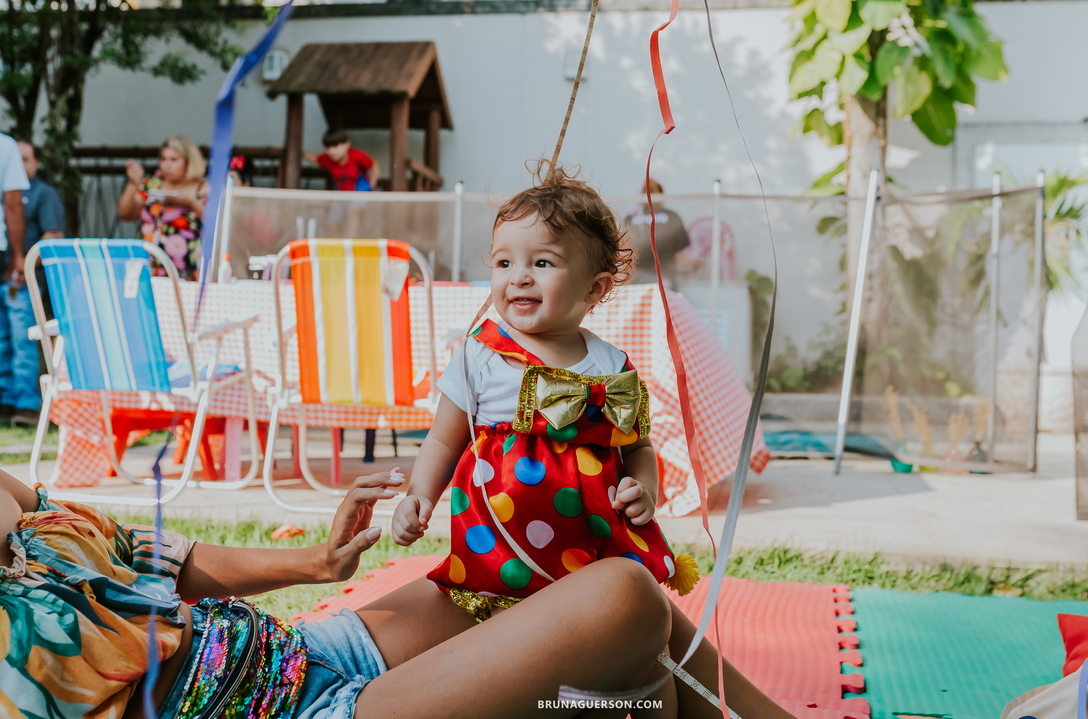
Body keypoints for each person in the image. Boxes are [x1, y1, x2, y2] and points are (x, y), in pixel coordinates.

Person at [0, 466, 793, 718]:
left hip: (292, 650)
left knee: (531, 577)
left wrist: (318, 562)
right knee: (620, 598)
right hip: (276, 714)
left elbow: (148, 557)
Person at [394, 163, 697, 628]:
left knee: (603, 628)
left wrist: (646, 489)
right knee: (505, 639)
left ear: (594, 288)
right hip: (500, 543)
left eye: (542, 263)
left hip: (592, 543)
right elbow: (442, 440)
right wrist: (419, 496)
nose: (518, 277)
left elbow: (638, 447)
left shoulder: (612, 365)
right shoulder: (479, 355)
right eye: (503, 262)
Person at [0, 141, 65, 427]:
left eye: (25, 159)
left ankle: (26, 405)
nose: (21, 164)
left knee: (23, 339)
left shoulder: (43, 193)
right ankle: (6, 400)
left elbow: (53, 235)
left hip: (23, 278)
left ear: (37, 162)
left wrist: (23, 263)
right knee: (2, 341)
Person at [116, 135, 208, 280]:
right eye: (163, 159)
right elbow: (125, 214)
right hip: (149, 263)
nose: (167, 165)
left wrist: (190, 203)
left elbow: (217, 222)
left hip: (187, 267)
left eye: (173, 159)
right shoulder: (155, 183)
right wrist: (133, 183)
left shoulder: (203, 187)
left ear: (189, 161)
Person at [623, 178, 700, 290]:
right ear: (661, 195)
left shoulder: (630, 218)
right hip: (665, 285)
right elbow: (681, 261)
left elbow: (624, 259)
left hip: (637, 286)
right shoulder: (672, 216)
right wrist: (697, 264)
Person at [0, 133, 28, 424]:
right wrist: (18, 255)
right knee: (15, 333)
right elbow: (13, 204)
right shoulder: (5, 146)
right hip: (0, 249)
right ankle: (21, 403)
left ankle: (9, 401)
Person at [304, 129, 379, 191]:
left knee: (352, 209)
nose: (331, 151)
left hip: (361, 192)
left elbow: (373, 164)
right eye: (328, 147)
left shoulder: (357, 156)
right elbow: (315, 158)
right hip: (341, 194)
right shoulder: (327, 158)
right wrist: (298, 151)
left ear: (347, 144)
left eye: (335, 146)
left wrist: (373, 181)